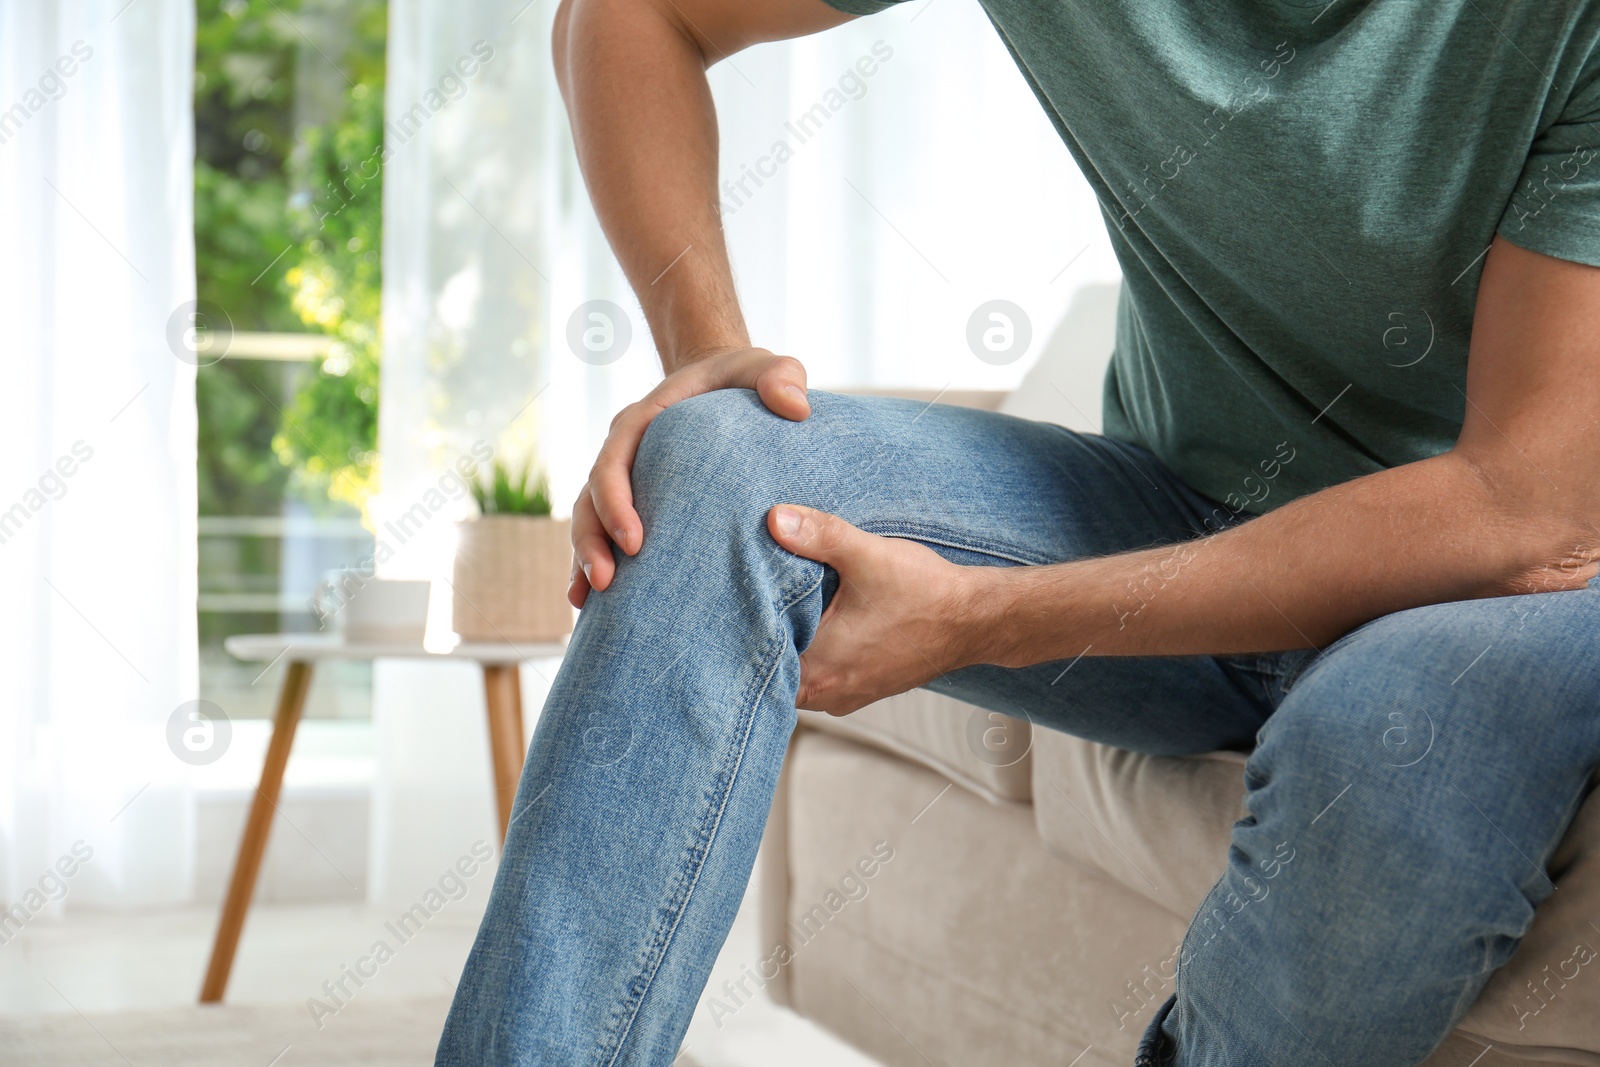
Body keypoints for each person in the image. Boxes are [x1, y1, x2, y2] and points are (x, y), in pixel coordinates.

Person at [435, 0, 1600, 1063]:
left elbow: (1523, 510)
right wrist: (704, 351)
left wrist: (986, 617)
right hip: (1182, 502)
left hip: (1522, 580)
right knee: (714, 459)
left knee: (1383, 734)